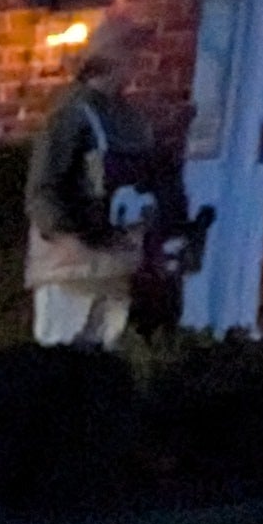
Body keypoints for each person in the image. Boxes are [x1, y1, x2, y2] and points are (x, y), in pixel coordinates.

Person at [25, 29, 155, 348]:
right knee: (60, 360)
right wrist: (68, 235)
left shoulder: (132, 119)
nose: (137, 63)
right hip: (71, 267)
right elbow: (43, 190)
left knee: (103, 362)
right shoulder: (70, 114)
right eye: (131, 54)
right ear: (110, 60)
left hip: (114, 266)